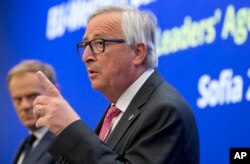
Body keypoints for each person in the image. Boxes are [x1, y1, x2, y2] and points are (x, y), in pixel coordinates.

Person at [33, 5, 199, 164]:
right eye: (85, 45)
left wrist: (70, 127)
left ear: (138, 52)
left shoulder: (165, 110)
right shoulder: (116, 111)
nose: (86, 57)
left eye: (99, 43)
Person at [7, 60, 58, 164]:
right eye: (18, 99)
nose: (24, 106)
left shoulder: (67, 145)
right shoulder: (26, 145)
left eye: (32, 96)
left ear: (55, 92)